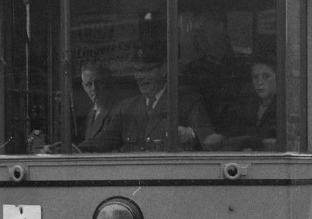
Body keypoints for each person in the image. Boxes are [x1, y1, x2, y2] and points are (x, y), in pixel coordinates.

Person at [81, 48, 219, 152]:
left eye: (146, 70)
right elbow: (104, 140)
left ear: (164, 70)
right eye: (137, 71)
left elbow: (211, 142)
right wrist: (72, 150)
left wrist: (191, 134)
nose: (140, 77)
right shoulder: (126, 107)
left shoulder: (188, 102)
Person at [79, 63, 117, 144]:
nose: (94, 88)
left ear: (107, 83)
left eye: (98, 82)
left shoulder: (118, 110)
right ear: (84, 87)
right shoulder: (89, 113)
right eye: (89, 84)